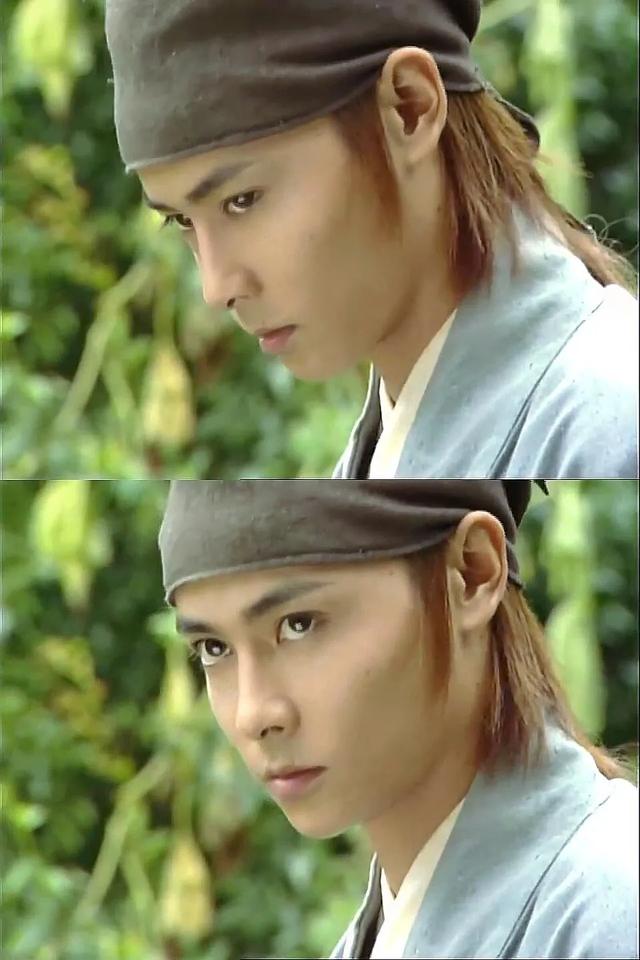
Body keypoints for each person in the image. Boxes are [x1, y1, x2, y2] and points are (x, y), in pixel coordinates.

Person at [105, 1, 638, 480]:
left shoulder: (607, 421)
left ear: (409, 109)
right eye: (181, 221)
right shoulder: (386, 446)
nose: (216, 286)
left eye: (242, 200)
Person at [158, 479, 638, 960]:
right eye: (213, 648)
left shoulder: (609, 910)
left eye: (299, 624)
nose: (253, 714)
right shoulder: (378, 936)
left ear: (471, 575)